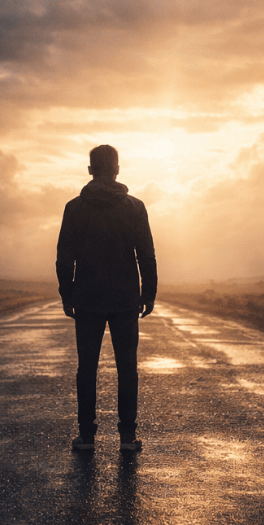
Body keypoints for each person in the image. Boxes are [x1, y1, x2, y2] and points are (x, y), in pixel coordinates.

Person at [56, 144, 157, 453]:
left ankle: (86, 437)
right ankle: (127, 437)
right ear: (117, 169)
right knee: (128, 368)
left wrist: (67, 295)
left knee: (86, 368)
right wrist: (148, 293)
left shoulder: (74, 208)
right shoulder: (135, 207)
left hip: (87, 299)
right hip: (125, 299)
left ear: (90, 170)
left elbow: (64, 259)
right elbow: (146, 256)